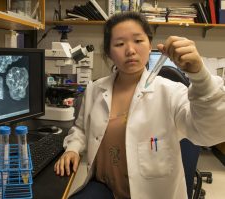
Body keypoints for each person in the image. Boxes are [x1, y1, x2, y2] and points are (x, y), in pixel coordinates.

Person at [54, 11, 225, 199]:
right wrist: (73, 148)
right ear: (109, 52)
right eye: (119, 44)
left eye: (138, 41)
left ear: (150, 44)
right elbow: (81, 129)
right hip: (105, 187)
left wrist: (201, 77)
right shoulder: (95, 89)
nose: (130, 50)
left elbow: (211, 133)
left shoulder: (171, 92)